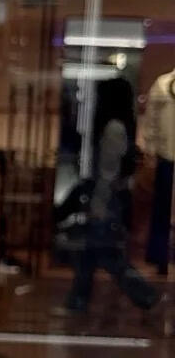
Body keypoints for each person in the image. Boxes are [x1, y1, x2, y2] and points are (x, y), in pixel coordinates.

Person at [65, 75, 157, 313]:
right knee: (94, 252)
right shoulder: (120, 126)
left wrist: (98, 203)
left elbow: (108, 172)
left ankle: (143, 294)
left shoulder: (112, 128)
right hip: (111, 198)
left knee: (104, 253)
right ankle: (79, 298)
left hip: (107, 199)